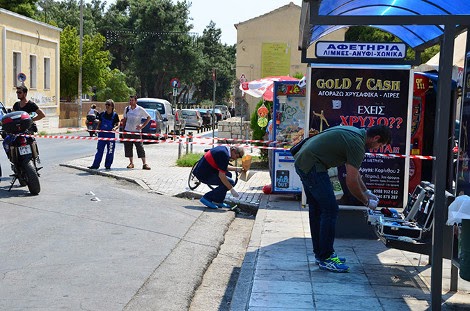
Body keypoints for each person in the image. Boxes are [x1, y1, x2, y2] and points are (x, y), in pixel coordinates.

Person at [293, 125, 391, 273]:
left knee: (318, 209)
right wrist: (366, 202)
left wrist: (366, 191)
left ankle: (321, 255)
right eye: (380, 145)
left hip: (305, 161)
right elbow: (350, 181)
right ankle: (326, 257)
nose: (377, 148)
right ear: (376, 138)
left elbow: (354, 173)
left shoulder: (356, 134)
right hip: (312, 165)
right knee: (330, 209)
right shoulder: (357, 144)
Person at [88, 99, 120, 170]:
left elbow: (118, 124)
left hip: (110, 135)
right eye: (106, 104)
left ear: (112, 106)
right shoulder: (102, 114)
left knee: (110, 151)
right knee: (99, 150)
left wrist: (115, 128)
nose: (107, 106)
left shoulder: (115, 115)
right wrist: (97, 130)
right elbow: (99, 123)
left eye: (108, 104)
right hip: (102, 135)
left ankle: (108, 166)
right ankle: (95, 165)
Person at [122, 95, 151, 170]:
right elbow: (124, 119)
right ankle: (131, 163)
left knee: (140, 147)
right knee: (128, 147)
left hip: (136, 131)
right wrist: (123, 130)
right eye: (130, 100)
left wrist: (142, 126)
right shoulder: (127, 109)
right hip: (128, 130)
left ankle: (144, 163)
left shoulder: (140, 109)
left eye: (132, 100)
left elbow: (148, 117)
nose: (131, 102)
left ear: (136, 101)